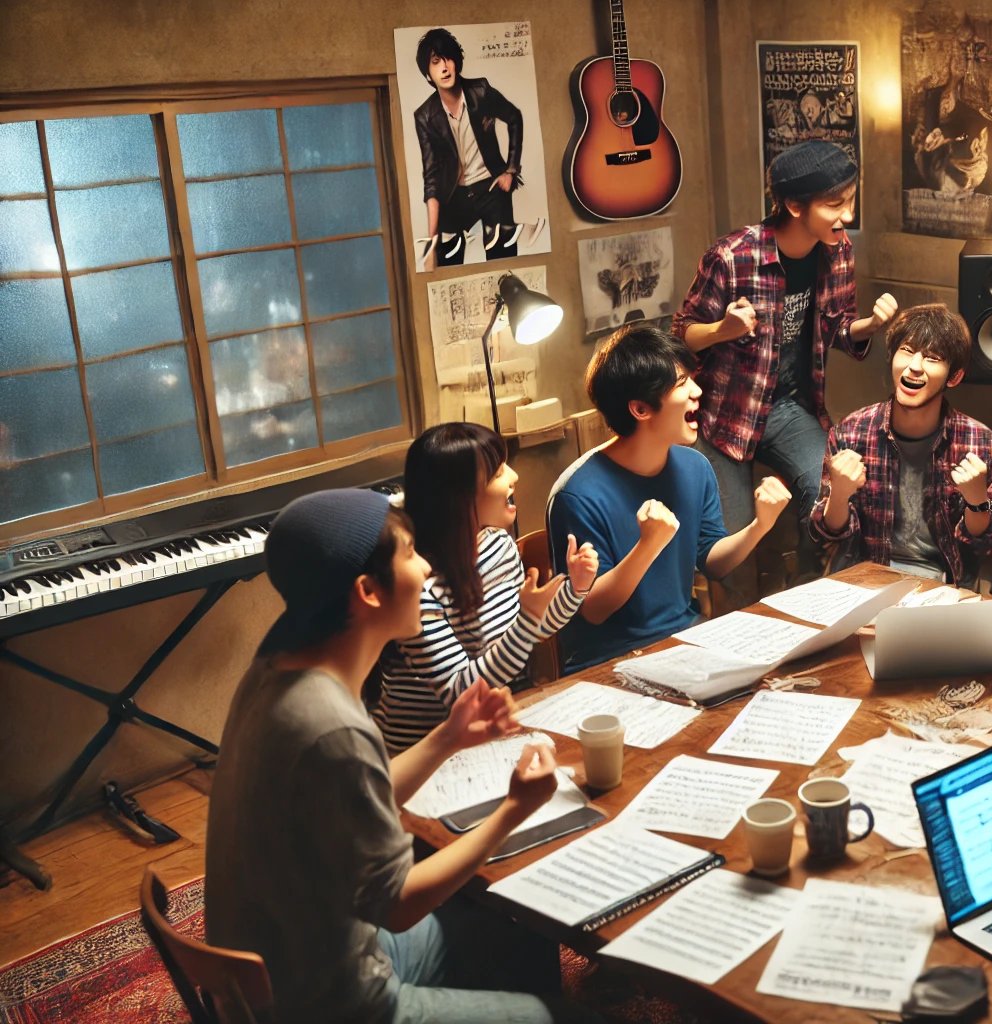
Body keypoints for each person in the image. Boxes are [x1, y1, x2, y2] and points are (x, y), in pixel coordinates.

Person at [207, 489, 593, 1023]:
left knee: (518, 927)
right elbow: (399, 904)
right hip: (333, 1003)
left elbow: (354, 796)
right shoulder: (331, 722)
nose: (426, 565)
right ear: (367, 591)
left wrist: (449, 736)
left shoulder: (275, 670)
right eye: (411, 553)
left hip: (289, 962)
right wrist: (515, 809)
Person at [673, 140, 898, 587]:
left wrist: (870, 324)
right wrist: (723, 329)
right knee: (732, 551)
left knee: (833, 494)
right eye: (835, 205)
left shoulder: (838, 252)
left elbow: (836, 329)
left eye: (850, 202)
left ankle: (817, 600)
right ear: (794, 204)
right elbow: (680, 335)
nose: (847, 217)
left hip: (788, 408)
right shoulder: (733, 257)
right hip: (724, 417)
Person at [548, 324, 790, 671]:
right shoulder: (577, 495)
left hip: (687, 641)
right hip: (609, 662)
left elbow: (711, 559)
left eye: (692, 378)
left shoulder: (695, 467)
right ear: (641, 409)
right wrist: (648, 545)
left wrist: (760, 526)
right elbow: (594, 610)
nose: (697, 390)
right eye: (681, 384)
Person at [373, 423, 600, 753]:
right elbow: (460, 692)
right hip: (422, 752)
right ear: (459, 497)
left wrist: (575, 589)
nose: (514, 477)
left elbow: (529, 630)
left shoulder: (497, 545)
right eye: (497, 472)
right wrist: (528, 621)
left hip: (485, 731)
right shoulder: (417, 582)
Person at [809, 304, 992, 586]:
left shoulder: (981, 444)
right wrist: (839, 494)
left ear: (955, 377)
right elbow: (827, 534)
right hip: (866, 579)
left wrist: (976, 503)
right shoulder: (851, 433)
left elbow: (984, 545)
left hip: (943, 585)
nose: (915, 366)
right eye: (907, 351)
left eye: (933, 358)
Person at [412, 28, 526, 268]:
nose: (444, 67)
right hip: (455, 196)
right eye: (435, 62)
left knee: (504, 266)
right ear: (428, 74)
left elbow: (514, 117)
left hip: (491, 188)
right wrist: (431, 244)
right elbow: (431, 177)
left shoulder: (480, 91)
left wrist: (510, 170)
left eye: (448, 58)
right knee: (447, 267)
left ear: (457, 62)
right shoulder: (425, 116)